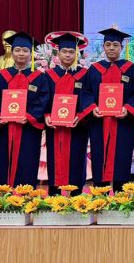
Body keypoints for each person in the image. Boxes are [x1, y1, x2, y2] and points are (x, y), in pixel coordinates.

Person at [84, 28, 134, 190]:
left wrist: (128, 108)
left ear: (121, 48)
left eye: (115, 45)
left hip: (122, 123)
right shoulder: (94, 70)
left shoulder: (131, 69)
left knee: (122, 160)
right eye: (108, 44)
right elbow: (86, 93)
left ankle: (121, 198)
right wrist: (92, 107)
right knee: (99, 159)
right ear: (103, 47)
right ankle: (99, 199)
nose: (111, 48)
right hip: (99, 123)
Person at [0, 32, 46, 187]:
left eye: (25, 50)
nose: (21, 53)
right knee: (3, 163)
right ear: (12, 52)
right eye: (18, 50)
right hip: (5, 129)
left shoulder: (39, 78)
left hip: (28, 130)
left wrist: (29, 116)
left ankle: (27, 202)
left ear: (31, 53)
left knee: (28, 163)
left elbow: (43, 101)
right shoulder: (2, 76)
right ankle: (5, 200)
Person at [40, 32, 94, 195]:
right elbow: (44, 98)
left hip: (77, 127)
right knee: (54, 159)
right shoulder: (49, 75)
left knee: (77, 159)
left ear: (76, 53)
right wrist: (47, 116)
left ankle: (76, 196)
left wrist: (81, 115)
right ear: (58, 52)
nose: (68, 55)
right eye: (65, 51)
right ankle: (54, 195)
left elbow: (89, 97)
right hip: (55, 128)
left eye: (71, 52)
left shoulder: (84, 75)